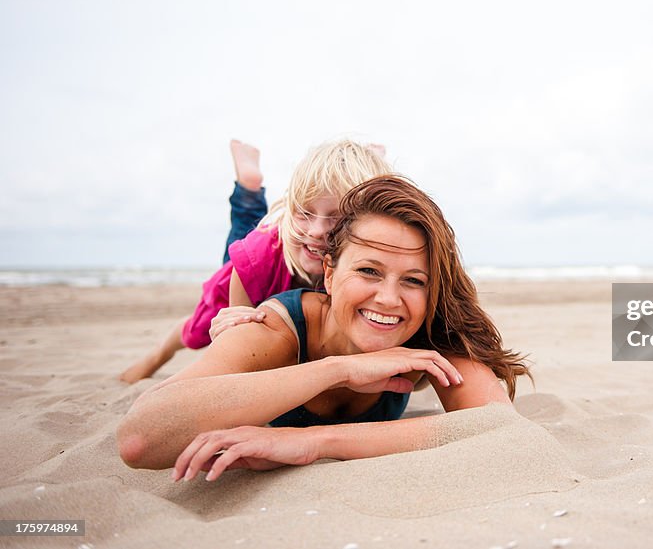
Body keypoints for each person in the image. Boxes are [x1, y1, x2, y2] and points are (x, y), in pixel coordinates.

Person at [117, 176, 531, 479]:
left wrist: (314, 443)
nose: (389, 299)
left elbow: (497, 425)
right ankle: (157, 353)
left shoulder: (429, 328)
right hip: (259, 290)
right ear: (329, 273)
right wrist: (337, 370)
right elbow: (139, 438)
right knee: (212, 303)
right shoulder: (277, 328)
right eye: (369, 270)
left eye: (413, 279)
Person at [119, 139, 391, 383]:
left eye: (336, 217)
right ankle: (157, 355)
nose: (317, 230)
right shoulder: (257, 256)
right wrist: (231, 328)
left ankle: (373, 164)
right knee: (196, 330)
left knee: (258, 229)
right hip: (255, 270)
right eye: (305, 212)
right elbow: (239, 351)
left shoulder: (361, 259)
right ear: (293, 207)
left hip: (283, 244)